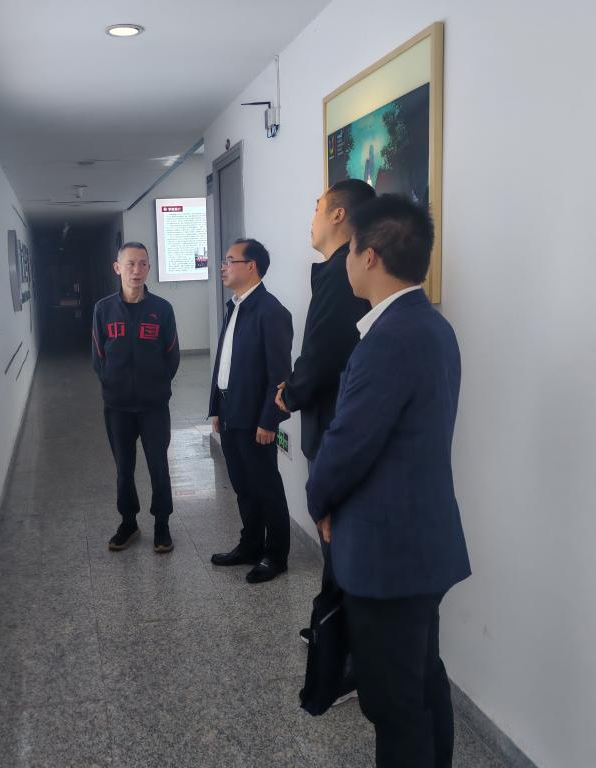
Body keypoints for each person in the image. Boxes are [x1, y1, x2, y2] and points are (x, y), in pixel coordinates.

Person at [306, 195, 471, 768]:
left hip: (388, 555)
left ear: (369, 256)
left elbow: (346, 445)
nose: (346, 263)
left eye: (350, 251)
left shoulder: (389, 339)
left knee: (393, 703)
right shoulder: (431, 325)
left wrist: (319, 501)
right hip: (422, 542)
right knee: (422, 682)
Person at [273, 179, 374, 642]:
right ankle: (335, 636)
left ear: (338, 214)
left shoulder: (339, 272)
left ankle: (339, 647)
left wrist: (290, 394)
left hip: (335, 421)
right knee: (338, 536)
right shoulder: (338, 270)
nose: (311, 217)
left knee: (337, 535)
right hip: (335, 416)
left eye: (317, 207)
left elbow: (323, 351)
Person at [208, 238, 293, 583]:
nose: (224, 267)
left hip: (256, 417)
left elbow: (280, 375)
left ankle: (276, 555)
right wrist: (216, 407)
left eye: (230, 260)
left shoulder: (271, 311)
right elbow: (224, 362)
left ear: (251, 266)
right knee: (243, 485)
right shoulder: (235, 306)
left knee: (266, 487)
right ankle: (251, 544)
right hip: (230, 410)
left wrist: (269, 420)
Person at [92, 242, 180, 553]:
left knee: (159, 466)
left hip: (154, 406)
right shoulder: (103, 309)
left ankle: (162, 523)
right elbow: (98, 357)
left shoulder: (162, 309)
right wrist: (113, 386)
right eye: (130, 264)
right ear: (117, 268)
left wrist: (156, 385)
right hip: (117, 408)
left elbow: (172, 355)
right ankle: (128, 522)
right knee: (123, 469)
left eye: (143, 264)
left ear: (149, 269)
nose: (136, 270)